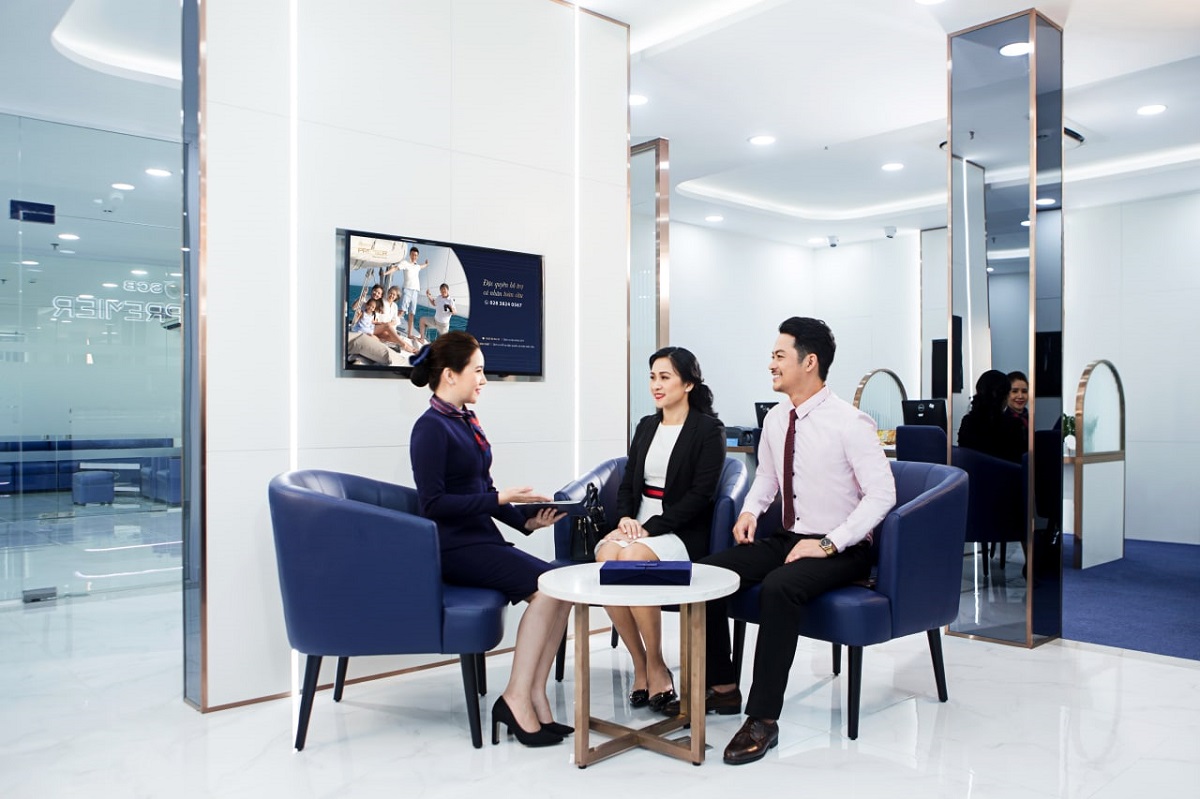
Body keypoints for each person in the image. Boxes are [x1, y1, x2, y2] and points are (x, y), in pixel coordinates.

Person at [665, 317, 896, 766]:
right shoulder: (775, 418)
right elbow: (767, 478)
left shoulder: (850, 423)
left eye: (779, 356)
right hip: (790, 536)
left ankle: (763, 719)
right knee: (708, 574)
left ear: (809, 362)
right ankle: (723, 687)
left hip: (843, 548)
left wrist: (829, 543)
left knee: (779, 587)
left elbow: (882, 494)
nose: (770, 364)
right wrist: (750, 511)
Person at [408, 332, 572, 748]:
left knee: (562, 590)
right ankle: (515, 698)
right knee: (550, 590)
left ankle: (534, 695)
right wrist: (498, 499)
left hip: (481, 539)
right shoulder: (430, 428)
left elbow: (483, 488)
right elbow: (433, 504)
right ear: (450, 375)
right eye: (478, 371)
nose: (484, 380)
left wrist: (526, 521)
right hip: (455, 547)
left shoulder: (465, 419)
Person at [595, 346, 724, 712]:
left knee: (633, 557)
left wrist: (649, 529)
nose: (656, 385)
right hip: (640, 523)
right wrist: (625, 519)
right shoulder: (646, 426)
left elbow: (700, 496)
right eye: (652, 377)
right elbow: (627, 484)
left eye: (665, 377)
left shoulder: (708, 430)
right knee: (607, 556)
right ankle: (641, 664)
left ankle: (656, 664)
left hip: (681, 530)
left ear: (688, 384)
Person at [958, 369, 1027, 463]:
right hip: (1006, 472)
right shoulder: (1014, 425)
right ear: (1004, 397)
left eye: (1024, 391)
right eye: (1014, 391)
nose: (1020, 396)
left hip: (972, 471)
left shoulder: (967, 422)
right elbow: (1021, 460)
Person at [387, 246, 430, 339]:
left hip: (415, 291)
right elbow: (395, 268)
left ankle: (409, 334)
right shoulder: (405, 263)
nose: (414, 256)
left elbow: (422, 266)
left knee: (411, 314)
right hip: (407, 290)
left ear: (417, 256)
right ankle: (390, 329)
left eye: (416, 255)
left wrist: (426, 264)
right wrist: (386, 273)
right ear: (410, 255)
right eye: (413, 254)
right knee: (401, 311)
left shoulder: (417, 266)